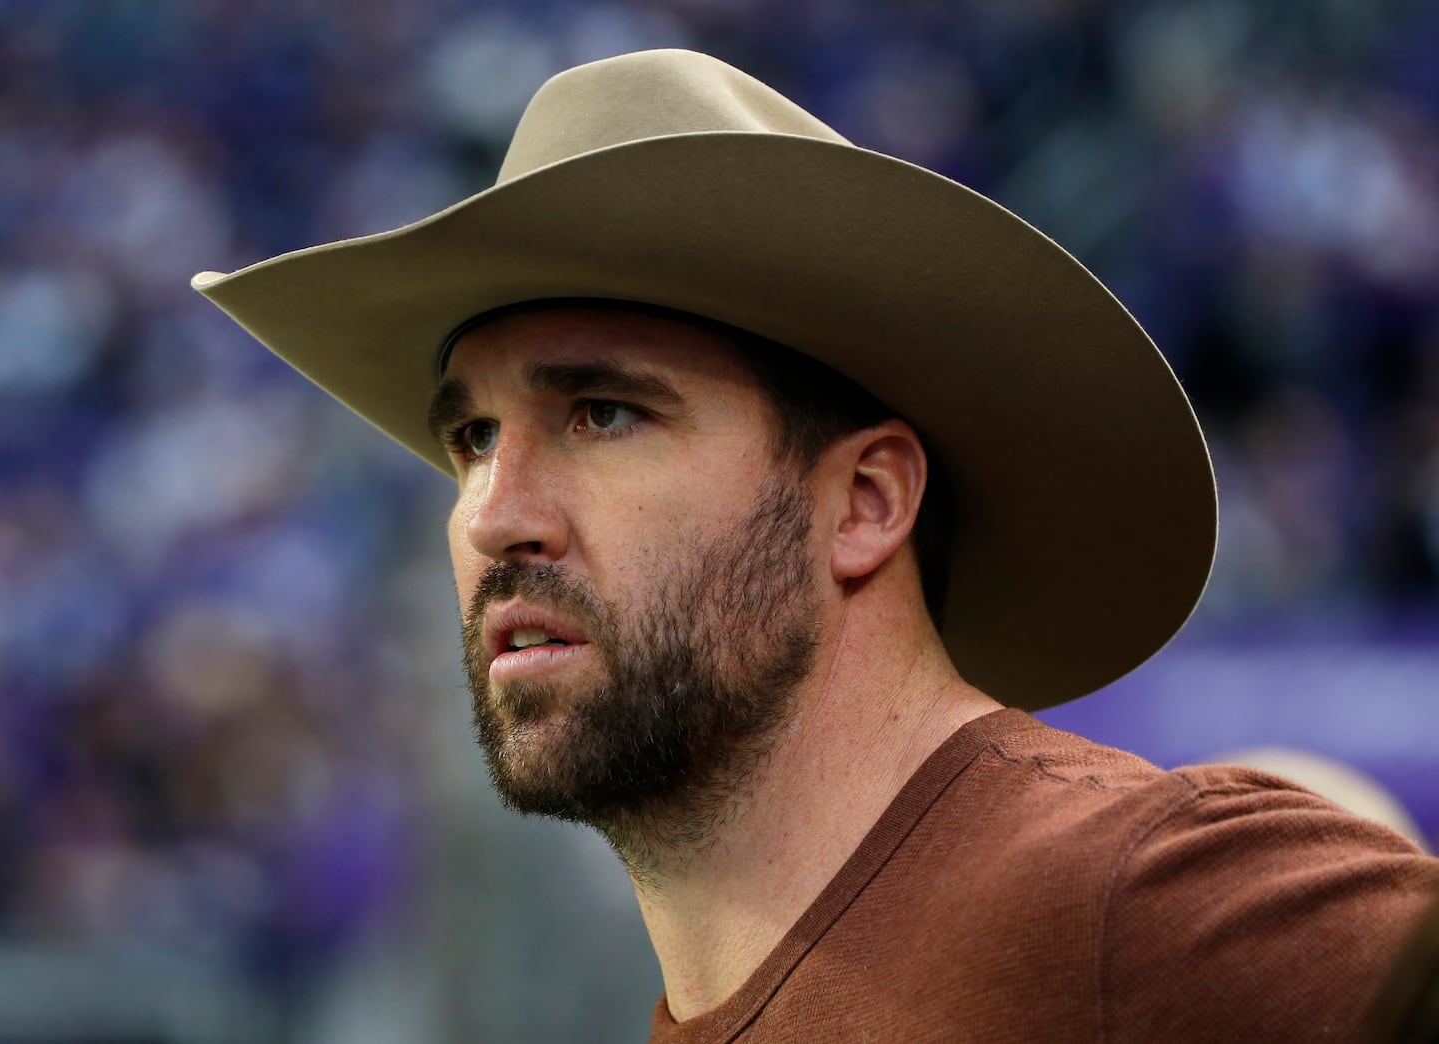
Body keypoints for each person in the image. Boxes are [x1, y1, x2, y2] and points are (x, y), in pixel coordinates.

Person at [191, 49, 1439, 1041]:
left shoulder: (1130, 901)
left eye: (604, 412)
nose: (491, 512)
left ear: (865, 504)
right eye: (468, 436)